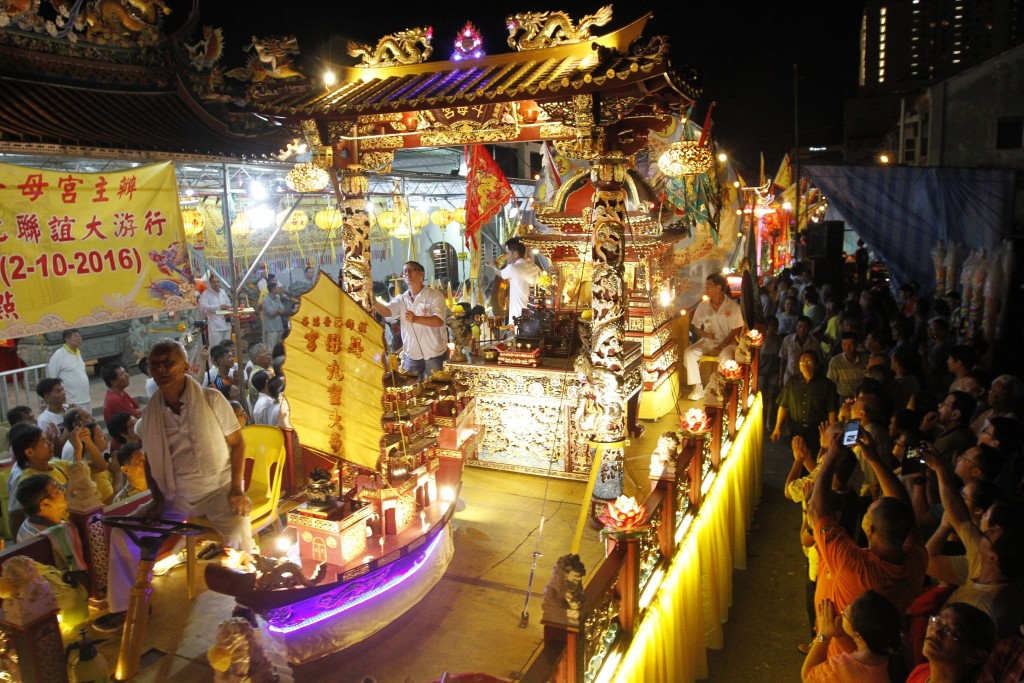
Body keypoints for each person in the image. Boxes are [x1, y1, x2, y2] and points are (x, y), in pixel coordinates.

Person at [96, 340, 253, 633]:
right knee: (122, 533)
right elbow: (152, 463)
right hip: (174, 497)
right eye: (156, 364)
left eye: (169, 362)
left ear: (185, 366)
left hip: (217, 489)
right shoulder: (150, 416)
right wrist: (156, 499)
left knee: (239, 527)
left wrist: (236, 488)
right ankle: (128, 605)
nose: (162, 369)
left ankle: (246, 604)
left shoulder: (211, 399)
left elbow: (238, 443)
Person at [808, 422, 928, 657]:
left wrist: (831, 457)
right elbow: (902, 509)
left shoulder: (853, 564)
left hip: (841, 657)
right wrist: (872, 457)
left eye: (870, 509)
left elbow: (817, 511)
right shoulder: (916, 557)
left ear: (870, 528)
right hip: (881, 656)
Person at [801, 590, 903, 682]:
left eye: (845, 614)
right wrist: (840, 635)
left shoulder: (842, 668)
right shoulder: (900, 646)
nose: (843, 610)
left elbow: (807, 676)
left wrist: (823, 635)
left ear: (858, 636)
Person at [372, 261, 449, 381]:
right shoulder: (402, 299)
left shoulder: (434, 296)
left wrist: (416, 319)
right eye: (405, 271)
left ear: (421, 274)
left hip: (434, 353)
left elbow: (439, 321)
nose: (407, 273)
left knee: (437, 389)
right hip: (412, 354)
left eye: (411, 270)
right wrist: (373, 301)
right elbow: (387, 312)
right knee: (412, 391)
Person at [683, 273, 744, 401]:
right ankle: (698, 388)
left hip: (728, 343)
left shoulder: (733, 307)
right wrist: (705, 334)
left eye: (709, 285)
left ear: (719, 287)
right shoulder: (703, 306)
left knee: (725, 357)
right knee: (689, 353)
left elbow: (735, 331)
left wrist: (720, 346)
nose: (706, 288)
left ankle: (718, 387)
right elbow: (696, 327)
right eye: (706, 285)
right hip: (707, 342)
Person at [905, 603, 997, 683]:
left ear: (976, 656)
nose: (935, 632)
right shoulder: (921, 671)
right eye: (937, 622)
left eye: (951, 631)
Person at [771, 351, 838, 455]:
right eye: (801, 362)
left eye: (808, 362)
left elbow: (832, 410)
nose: (804, 365)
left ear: (816, 365)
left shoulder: (826, 385)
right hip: (797, 428)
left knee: (817, 459)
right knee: (798, 457)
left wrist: (832, 432)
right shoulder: (792, 382)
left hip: (817, 430)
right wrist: (777, 428)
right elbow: (783, 406)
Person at [490, 237, 542, 326]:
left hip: (518, 316)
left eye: (508, 253)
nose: (507, 257)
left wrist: (492, 266)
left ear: (515, 254)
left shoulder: (513, 268)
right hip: (535, 315)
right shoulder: (535, 267)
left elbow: (499, 273)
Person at [46, 329, 90, 415]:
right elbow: (52, 378)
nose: (79, 338)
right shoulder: (59, 355)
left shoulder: (77, 352)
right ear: (66, 339)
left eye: (79, 336)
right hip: (71, 402)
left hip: (85, 398)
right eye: (76, 336)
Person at [101, 363, 140, 449]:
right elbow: (138, 418)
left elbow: (137, 407)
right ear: (113, 382)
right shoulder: (115, 400)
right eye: (122, 374)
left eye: (125, 372)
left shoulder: (121, 393)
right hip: (126, 446)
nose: (127, 375)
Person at [827, 332, 867, 402]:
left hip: (862, 396)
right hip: (845, 397)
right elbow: (830, 382)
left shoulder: (864, 358)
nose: (847, 348)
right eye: (844, 345)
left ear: (856, 345)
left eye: (850, 345)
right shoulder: (835, 361)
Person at [199, 274, 232, 346]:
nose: (216, 284)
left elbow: (228, 303)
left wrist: (227, 306)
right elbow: (203, 306)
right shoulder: (206, 293)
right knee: (215, 349)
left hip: (226, 324)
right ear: (210, 283)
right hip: (215, 327)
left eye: (218, 282)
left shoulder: (223, 292)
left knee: (226, 348)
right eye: (214, 282)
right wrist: (219, 307)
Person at [261, 281, 287, 350]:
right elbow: (271, 313)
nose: (279, 289)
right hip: (271, 328)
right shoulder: (266, 300)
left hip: (279, 327)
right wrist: (279, 311)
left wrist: (277, 311)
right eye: (277, 288)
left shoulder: (277, 299)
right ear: (273, 290)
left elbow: (283, 309)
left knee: (279, 347)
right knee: (271, 348)